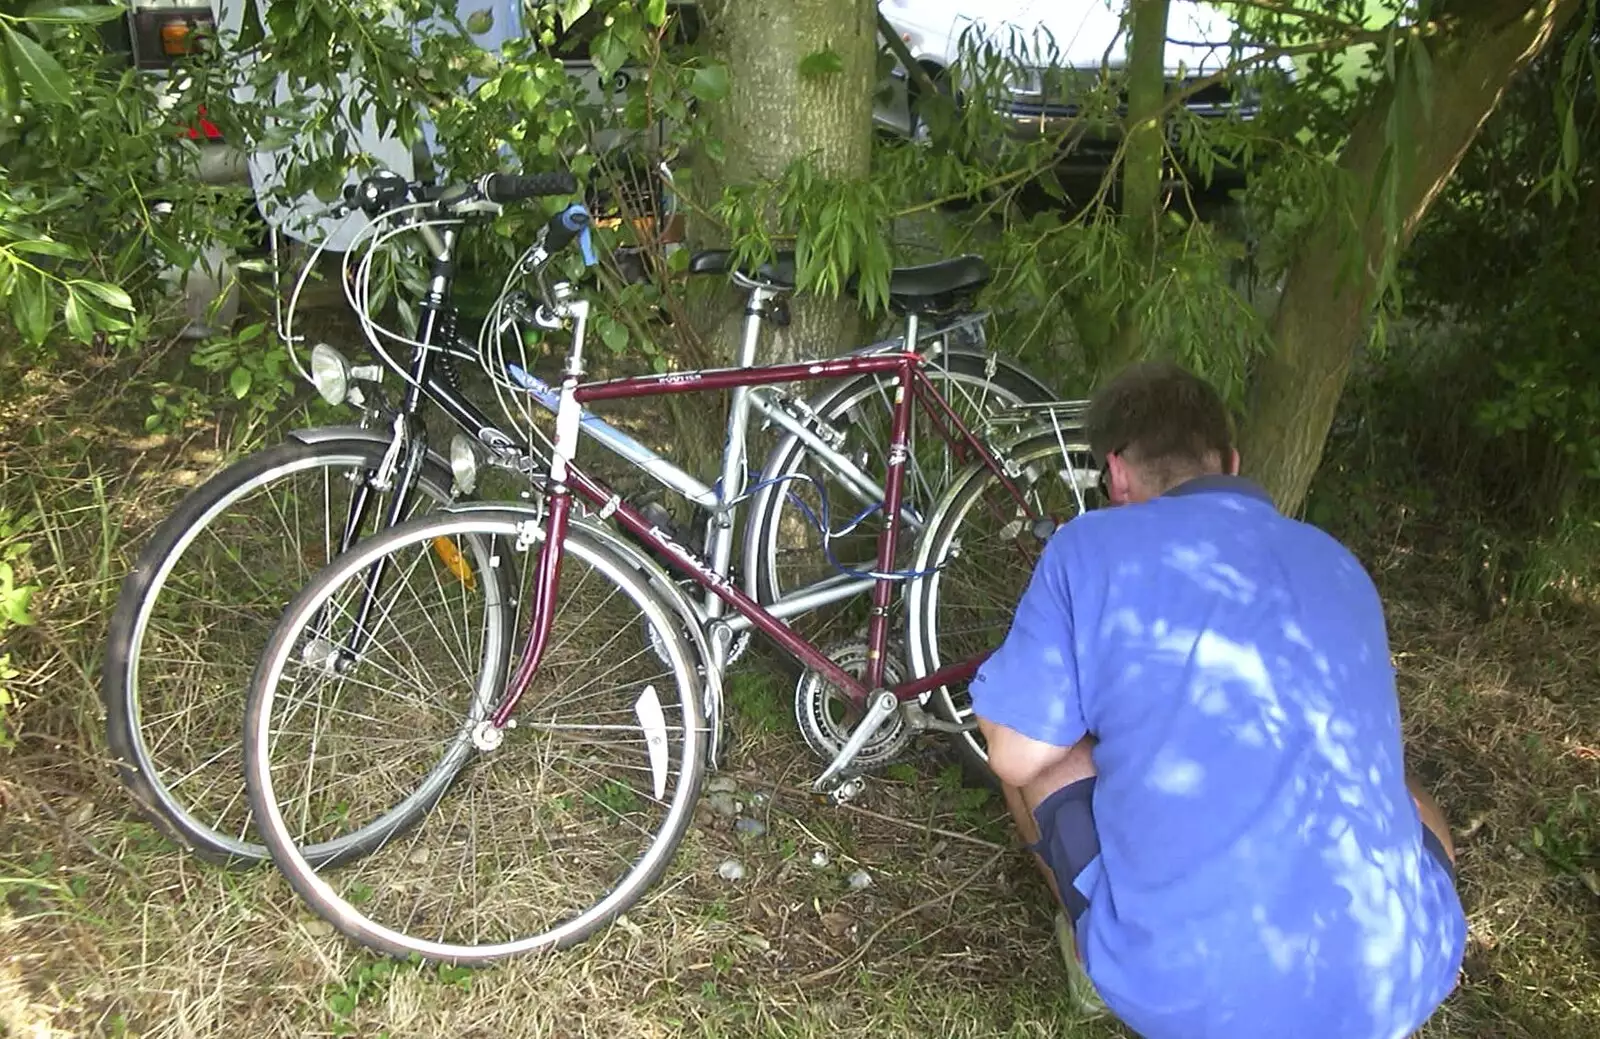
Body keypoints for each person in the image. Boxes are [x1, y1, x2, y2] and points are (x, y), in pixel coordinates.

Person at [970, 361, 1468, 1039]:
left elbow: (1013, 751)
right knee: (1399, 782)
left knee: (1044, 750)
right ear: (1231, 461)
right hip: (1399, 981)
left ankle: (1100, 953)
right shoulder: (1336, 559)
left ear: (1116, 474)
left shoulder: (1088, 547)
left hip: (1189, 999)